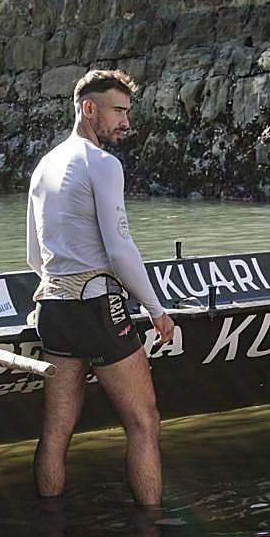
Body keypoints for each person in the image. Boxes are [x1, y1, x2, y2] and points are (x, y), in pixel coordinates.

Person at [26, 69, 175, 507]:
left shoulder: (44, 166)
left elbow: (34, 257)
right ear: (89, 109)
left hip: (54, 308)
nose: (125, 122)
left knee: (55, 433)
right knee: (144, 424)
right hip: (97, 307)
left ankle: (52, 532)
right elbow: (120, 248)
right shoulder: (103, 164)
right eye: (118, 111)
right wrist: (156, 309)